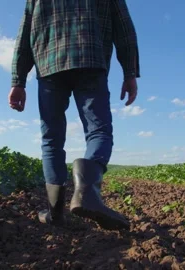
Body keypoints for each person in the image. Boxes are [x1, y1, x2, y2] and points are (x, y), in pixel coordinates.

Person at [8, 0, 140, 230]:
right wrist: (130, 73)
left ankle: (55, 214)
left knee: (51, 139)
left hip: (49, 66)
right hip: (90, 59)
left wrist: (18, 81)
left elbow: (24, 36)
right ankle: (86, 190)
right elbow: (124, 29)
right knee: (98, 131)